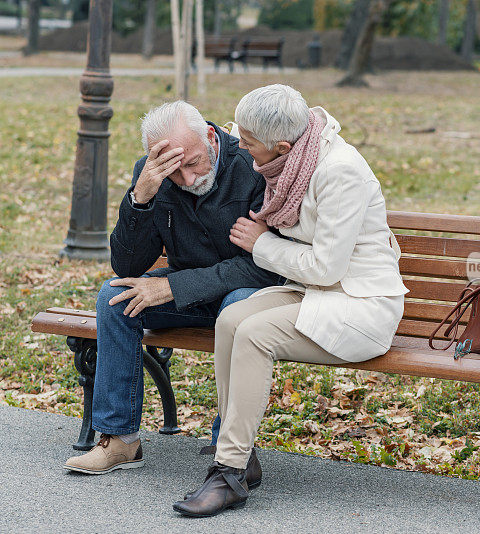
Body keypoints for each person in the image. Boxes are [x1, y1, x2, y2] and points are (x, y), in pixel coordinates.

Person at [173, 85, 408, 517]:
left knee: (255, 334)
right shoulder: (293, 163)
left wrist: (262, 244)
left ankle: (228, 471)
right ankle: (243, 455)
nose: (238, 146)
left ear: (281, 146)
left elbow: (326, 268)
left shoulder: (340, 172)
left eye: (247, 142)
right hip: (319, 295)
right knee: (231, 321)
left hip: (361, 305)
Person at [63, 101, 282, 475]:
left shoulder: (251, 167)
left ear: (211, 137)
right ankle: (119, 441)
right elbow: (128, 266)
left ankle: (228, 447)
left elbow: (266, 266)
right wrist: (141, 197)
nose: (187, 178)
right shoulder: (151, 174)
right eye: (172, 170)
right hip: (190, 298)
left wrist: (172, 287)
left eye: (193, 162)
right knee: (113, 298)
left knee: (239, 306)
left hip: (244, 291)